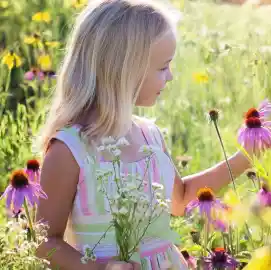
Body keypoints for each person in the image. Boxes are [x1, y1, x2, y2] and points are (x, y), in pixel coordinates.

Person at [34, 0, 256, 269]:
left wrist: (246, 157)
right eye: (163, 67)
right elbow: (45, 242)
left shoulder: (149, 135)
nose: (171, 76)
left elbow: (180, 200)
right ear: (124, 71)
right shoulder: (70, 150)